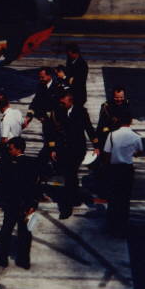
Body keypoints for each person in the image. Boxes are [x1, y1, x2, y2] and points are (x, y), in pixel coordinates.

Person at [45, 91, 99, 219]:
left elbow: (89, 128)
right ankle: (74, 197)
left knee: (69, 176)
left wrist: (96, 145)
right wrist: (52, 148)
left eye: (63, 101)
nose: (61, 103)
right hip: (63, 150)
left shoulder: (81, 112)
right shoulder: (57, 112)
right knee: (71, 176)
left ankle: (66, 208)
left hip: (77, 150)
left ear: (70, 101)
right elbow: (51, 131)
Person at [0, 137, 41, 269]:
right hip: (28, 204)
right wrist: (34, 204)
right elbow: (36, 186)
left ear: (18, 149)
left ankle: (1, 258)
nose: (9, 150)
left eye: (11, 148)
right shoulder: (33, 163)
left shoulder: (8, 163)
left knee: (6, 230)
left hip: (12, 203)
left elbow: (1, 178)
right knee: (26, 233)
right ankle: (23, 260)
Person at [103, 114, 143, 236]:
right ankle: (122, 226)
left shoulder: (112, 135)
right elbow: (139, 152)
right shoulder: (136, 137)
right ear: (131, 122)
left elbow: (107, 153)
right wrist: (130, 153)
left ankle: (111, 226)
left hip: (114, 169)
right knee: (125, 199)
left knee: (113, 198)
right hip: (127, 170)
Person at [0, 92, 23, 156]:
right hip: (19, 147)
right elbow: (23, 124)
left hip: (9, 151)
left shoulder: (5, 119)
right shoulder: (18, 112)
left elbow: (4, 139)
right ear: (8, 103)